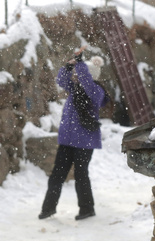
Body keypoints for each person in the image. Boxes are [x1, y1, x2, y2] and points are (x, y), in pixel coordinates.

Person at [39, 46, 108, 221]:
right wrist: (69, 66)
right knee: (57, 174)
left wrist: (80, 63)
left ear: (91, 75)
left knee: (80, 174)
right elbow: (61, 80)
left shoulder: (95, 92)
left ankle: (87, 208)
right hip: (67, 140)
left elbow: (86, 80)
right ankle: (48, 209)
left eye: (80, 73)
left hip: (85, 142)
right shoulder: (75, 88)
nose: (76, 77)